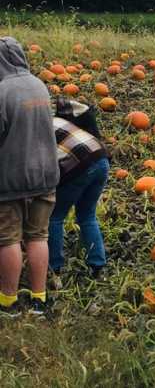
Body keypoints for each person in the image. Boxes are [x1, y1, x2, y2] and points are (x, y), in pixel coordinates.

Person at [0, 37, 60, 317]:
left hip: (11, 177)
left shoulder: (2, 90)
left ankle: (8, 302)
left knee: (8, 239)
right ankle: (39, 298)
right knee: (38, 236)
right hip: (46, 173)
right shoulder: (39, 85)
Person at [49, 99, 110, 280]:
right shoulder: (57, 120)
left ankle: (55, 266)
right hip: (101, 158)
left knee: (54, 217)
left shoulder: (35, 130)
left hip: (79, 165)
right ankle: (97, 265)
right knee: (87, 215)